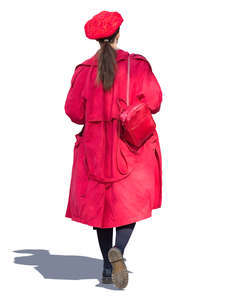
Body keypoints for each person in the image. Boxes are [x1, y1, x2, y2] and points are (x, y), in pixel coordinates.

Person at [64, 10, 163, 289]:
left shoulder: (84, 71)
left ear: (96, 41)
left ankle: (107, 268)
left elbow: (73, 112)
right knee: (128, 204)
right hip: (129, 146)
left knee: (102, 209)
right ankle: (119, 249)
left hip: (95, 150)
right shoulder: (136, 65)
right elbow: (154, 102)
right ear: (119, 34)